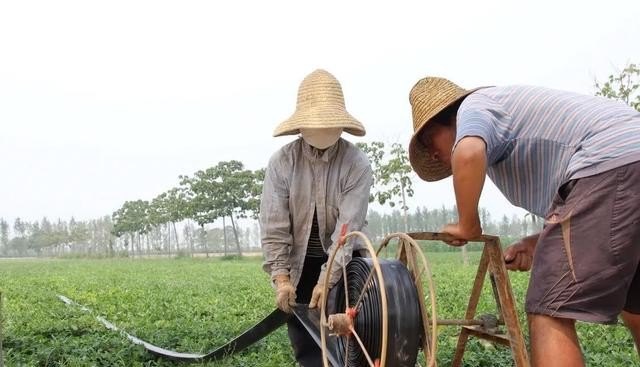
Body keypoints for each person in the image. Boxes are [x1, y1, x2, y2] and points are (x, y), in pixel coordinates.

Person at [406, 76, 640, 366]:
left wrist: (467, 224)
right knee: (636, 305)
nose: (432, 153)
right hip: (627, 162)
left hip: (608, 163)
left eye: (430, 140)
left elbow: (467, 154)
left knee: (550, 311)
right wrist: (536, 243)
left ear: (452, 118)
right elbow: (586, 211)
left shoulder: (474, 108)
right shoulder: (509, 124)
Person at [260, 69, 373, 367]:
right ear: (301, 127)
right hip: (301, 265)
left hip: (346, 263)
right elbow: (274, 228)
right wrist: (283, 280)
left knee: (352, 336)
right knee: (307, 345)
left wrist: (327, 280)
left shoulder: (356, 164)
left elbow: (346, 232)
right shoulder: (282, 163)